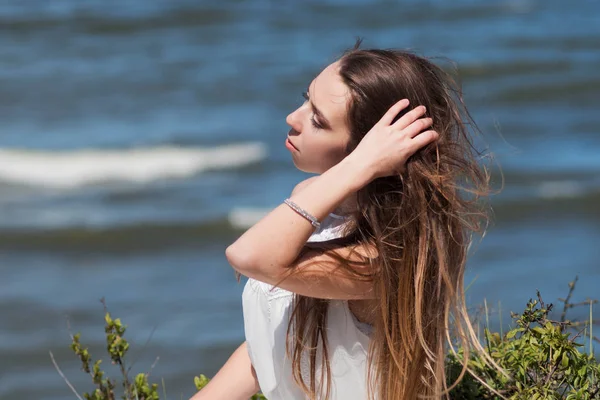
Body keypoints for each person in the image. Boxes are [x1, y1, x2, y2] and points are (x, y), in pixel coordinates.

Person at [191, 40, 496, 400]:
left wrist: (358, 166)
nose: (293, 118)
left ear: (371, 152)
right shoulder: (312, 201)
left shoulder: (381, 259)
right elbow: (271, 342)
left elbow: (251, 258)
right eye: (306, 98)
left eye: (318, 120)